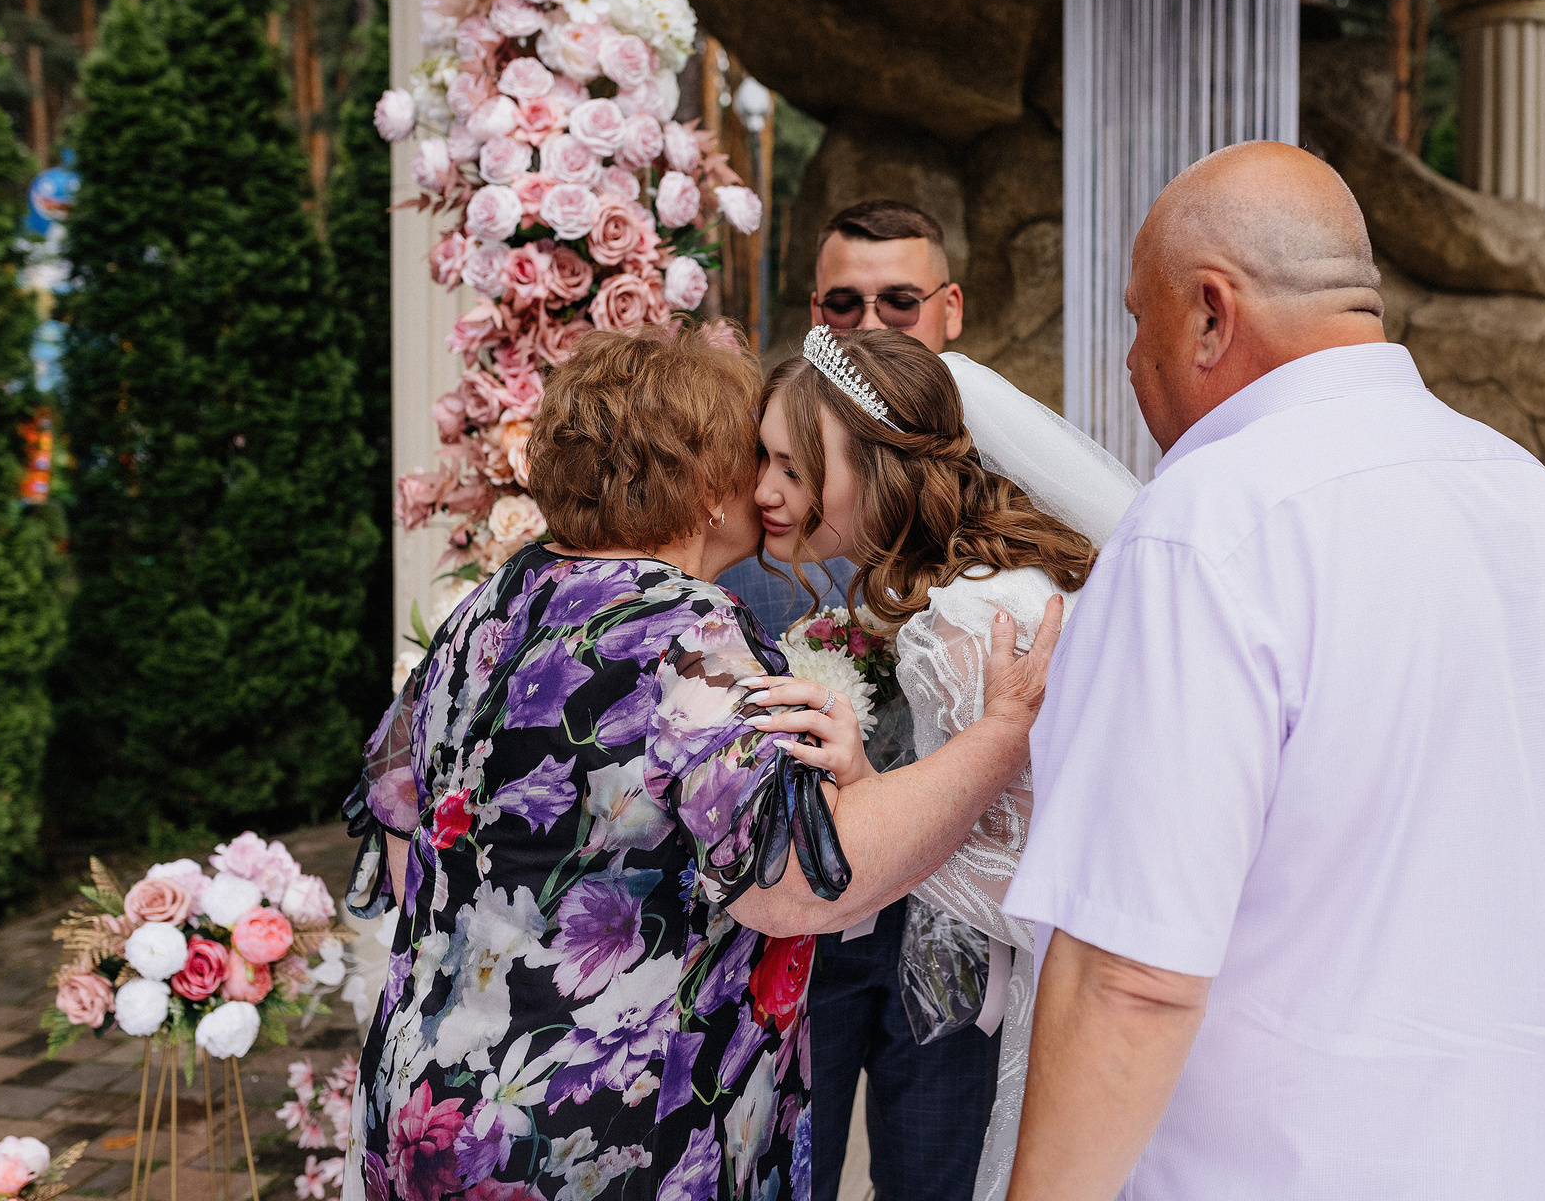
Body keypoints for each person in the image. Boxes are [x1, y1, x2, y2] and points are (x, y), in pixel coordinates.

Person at [1000, 142, 1545, 1200]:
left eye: (1138, 321)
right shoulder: (1526, 495)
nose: (1132, 361)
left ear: (1210, 313)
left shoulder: (1204, 525)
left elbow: (1130, 973)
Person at [340, 323, 1058, 1201]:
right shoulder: (683, 633)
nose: (767, 485)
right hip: (600, 1137)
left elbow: (400, 829)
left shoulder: (491, 602)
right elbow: (795, 884)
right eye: (755, 458)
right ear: (708, 490)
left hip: (424, 1104)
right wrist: (1002, 732)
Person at [751, 326, 1137, 1201]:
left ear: (876, 467)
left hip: (1075, 988)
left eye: (795, 468)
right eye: (765, 460)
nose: (765, 490)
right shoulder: (1010, 580)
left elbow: (1032, 883)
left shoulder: (960, 625)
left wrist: (868, 801)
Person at [721, 199, 964, 639]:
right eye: (844, 304)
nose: (870, 325)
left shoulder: (1006, 471)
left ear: (951, 308)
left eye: (900, 302)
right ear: (817, 313)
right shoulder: (749, 467)